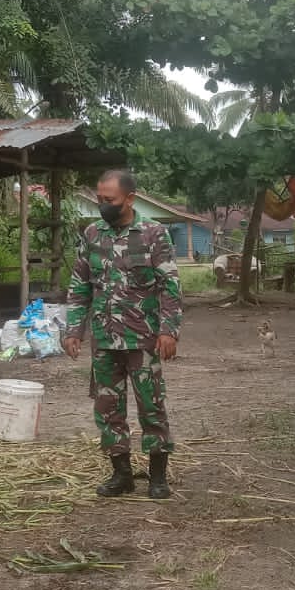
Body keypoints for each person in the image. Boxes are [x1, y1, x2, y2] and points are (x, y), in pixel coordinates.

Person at [63, 169, 182, 499]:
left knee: (151, 406)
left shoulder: (153, 234)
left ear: (130, 198)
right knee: (108, 409)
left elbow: (170, 286)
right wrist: (74, 329)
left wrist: (169, 331)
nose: (103, 205)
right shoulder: (92, 234)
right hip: (104, 338)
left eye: (110, 199)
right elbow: (79, 286)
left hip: (143, 338)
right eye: (99, 199)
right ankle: (122, 475)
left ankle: (158, 476)